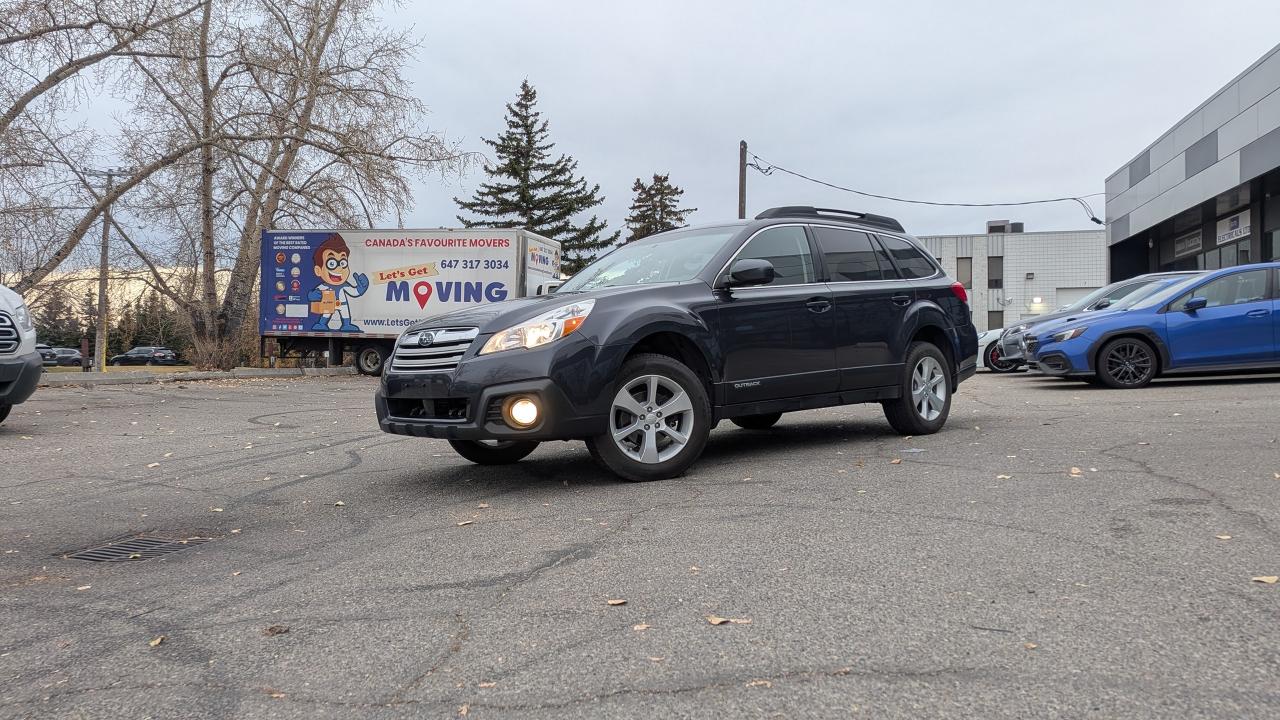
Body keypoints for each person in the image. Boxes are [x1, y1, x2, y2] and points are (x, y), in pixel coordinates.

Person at [308, 234, 369, 332]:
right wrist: (313, 295)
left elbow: (354, 292)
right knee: (326, 313)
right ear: (318, 270)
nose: (339, 268)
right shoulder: (324, 286)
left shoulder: (344, 285)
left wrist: (361, 288)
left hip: (342, 303)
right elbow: (313, 294)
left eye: (343, 263)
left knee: (345, 313)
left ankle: (346, 325)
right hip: (328, 303)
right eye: (331, 263)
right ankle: (322, 324)